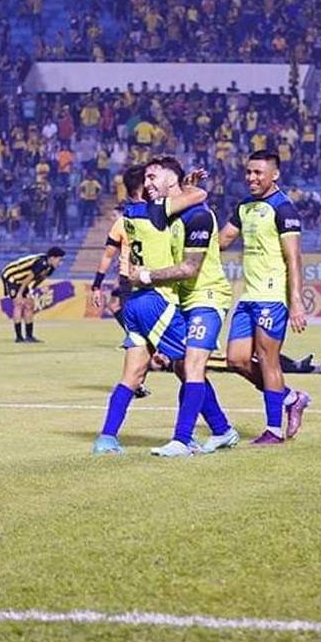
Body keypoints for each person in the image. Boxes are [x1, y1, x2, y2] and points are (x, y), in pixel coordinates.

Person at [92, 160, 209, 456]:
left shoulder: (129, 215)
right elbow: (200, 196)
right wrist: (185, 186)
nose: (152, 184)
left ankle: (106, 438)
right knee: (193, 368)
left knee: (131, 376)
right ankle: (198, 434)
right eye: (149, 180)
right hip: (158, 300)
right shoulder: (156, 211)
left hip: (134, 302)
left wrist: (180, 184)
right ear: (142, 189)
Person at [131, 156, 238, 456]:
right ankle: (222, 430)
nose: (147, 184)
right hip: (182, 301)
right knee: (182, 368)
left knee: (192, 365)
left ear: (171, 179)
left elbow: (191, 267)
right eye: (146, 178)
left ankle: (182, 439)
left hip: (208, 297)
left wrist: (146, 276)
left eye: (153, 177)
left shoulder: (199, 217)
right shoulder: (170, 216)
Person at [218, 150, 311, 446]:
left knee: (268, 360)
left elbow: (293, 257)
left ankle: (274, 430)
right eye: (248, 172)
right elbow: (221, 241)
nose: (252, 178)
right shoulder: (244, 207)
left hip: (272, 297)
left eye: (258, 173)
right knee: (236, 360)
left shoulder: (283, 209)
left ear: (275, 174)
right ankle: (291, 398)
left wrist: (296, 300)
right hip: (248, 297)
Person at [91, 164, 151, 399]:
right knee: (138, 335)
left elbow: (108, 256)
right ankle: (137, 381)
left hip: (156, 281)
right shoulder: (123, 223)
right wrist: (96, 285)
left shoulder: (161, 217)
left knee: (143, 336)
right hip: (132, 281)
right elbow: (108, 255)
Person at [0, 246, 66, 343]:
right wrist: (19, 294)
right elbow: (29, 278)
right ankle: (19, 337)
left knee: (30, 305)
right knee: (18, 304)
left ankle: (29, 336)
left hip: (22, 280)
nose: (61, 263)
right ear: (52, 258)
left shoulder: (50, 267)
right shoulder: (41, 263)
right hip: (11, 276)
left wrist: (31, 289)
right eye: (59, 260)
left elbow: (40, 278)